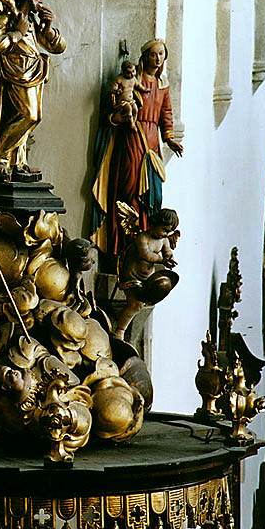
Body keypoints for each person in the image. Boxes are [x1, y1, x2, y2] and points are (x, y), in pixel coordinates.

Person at [92, 39, 183, 258]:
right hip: (133, 136)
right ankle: (124, 245)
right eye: (153, 54)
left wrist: (169, 138)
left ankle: (147, 240)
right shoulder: (134, 80)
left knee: (153, 192)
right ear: (145, 56)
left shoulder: (162, 85)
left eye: (162, 54)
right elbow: (115, 103)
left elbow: (166, 114)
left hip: (152, 143)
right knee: (130, 187)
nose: (158, 58)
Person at [0, 0, 66, 182]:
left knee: (28, 119)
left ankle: (17, 161)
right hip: (15, 73)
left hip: (34, 74)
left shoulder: (33, 20)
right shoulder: (9, 17)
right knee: (29, 115)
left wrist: (47, 27)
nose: (41, 0)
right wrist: (16, 35)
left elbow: (57, 47)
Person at [114, 208, 179, 339]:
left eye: (169, 231)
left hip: (147, 279)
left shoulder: (163, 240)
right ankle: (119, 331)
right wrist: (162, 259)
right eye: (164, 230)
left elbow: (167, 252)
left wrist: (170, 257)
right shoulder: (143, 238)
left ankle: (122, 328)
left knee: (142, 303)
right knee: (136, 304)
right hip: (131, 276)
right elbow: (146, 255)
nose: (166, 234)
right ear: (154, 223)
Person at [110, 60, 150, 131]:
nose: (132, 74)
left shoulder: (133, 79)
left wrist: (145, 89)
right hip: (123, 102)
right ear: (123, 72)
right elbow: (113, 89)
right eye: (129, 72)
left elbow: (139, 86)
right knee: (129, 109)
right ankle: (131, 123)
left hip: (131, 101)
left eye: (133, 71)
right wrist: (117, 91)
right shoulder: (119, 79)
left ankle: (134, 122)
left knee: (135, 109)